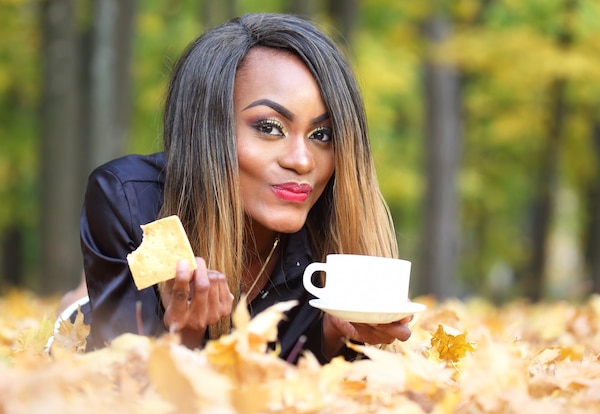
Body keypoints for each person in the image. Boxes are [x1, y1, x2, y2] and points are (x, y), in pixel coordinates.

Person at [80, 12, 411, 363]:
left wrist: (333, 338)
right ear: (206, 131)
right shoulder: (130, 200)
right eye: (269, 127)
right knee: (76, 305)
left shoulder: (327, 241)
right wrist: (184, 337)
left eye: (322, 135)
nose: (302, 161)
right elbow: (119, 380)